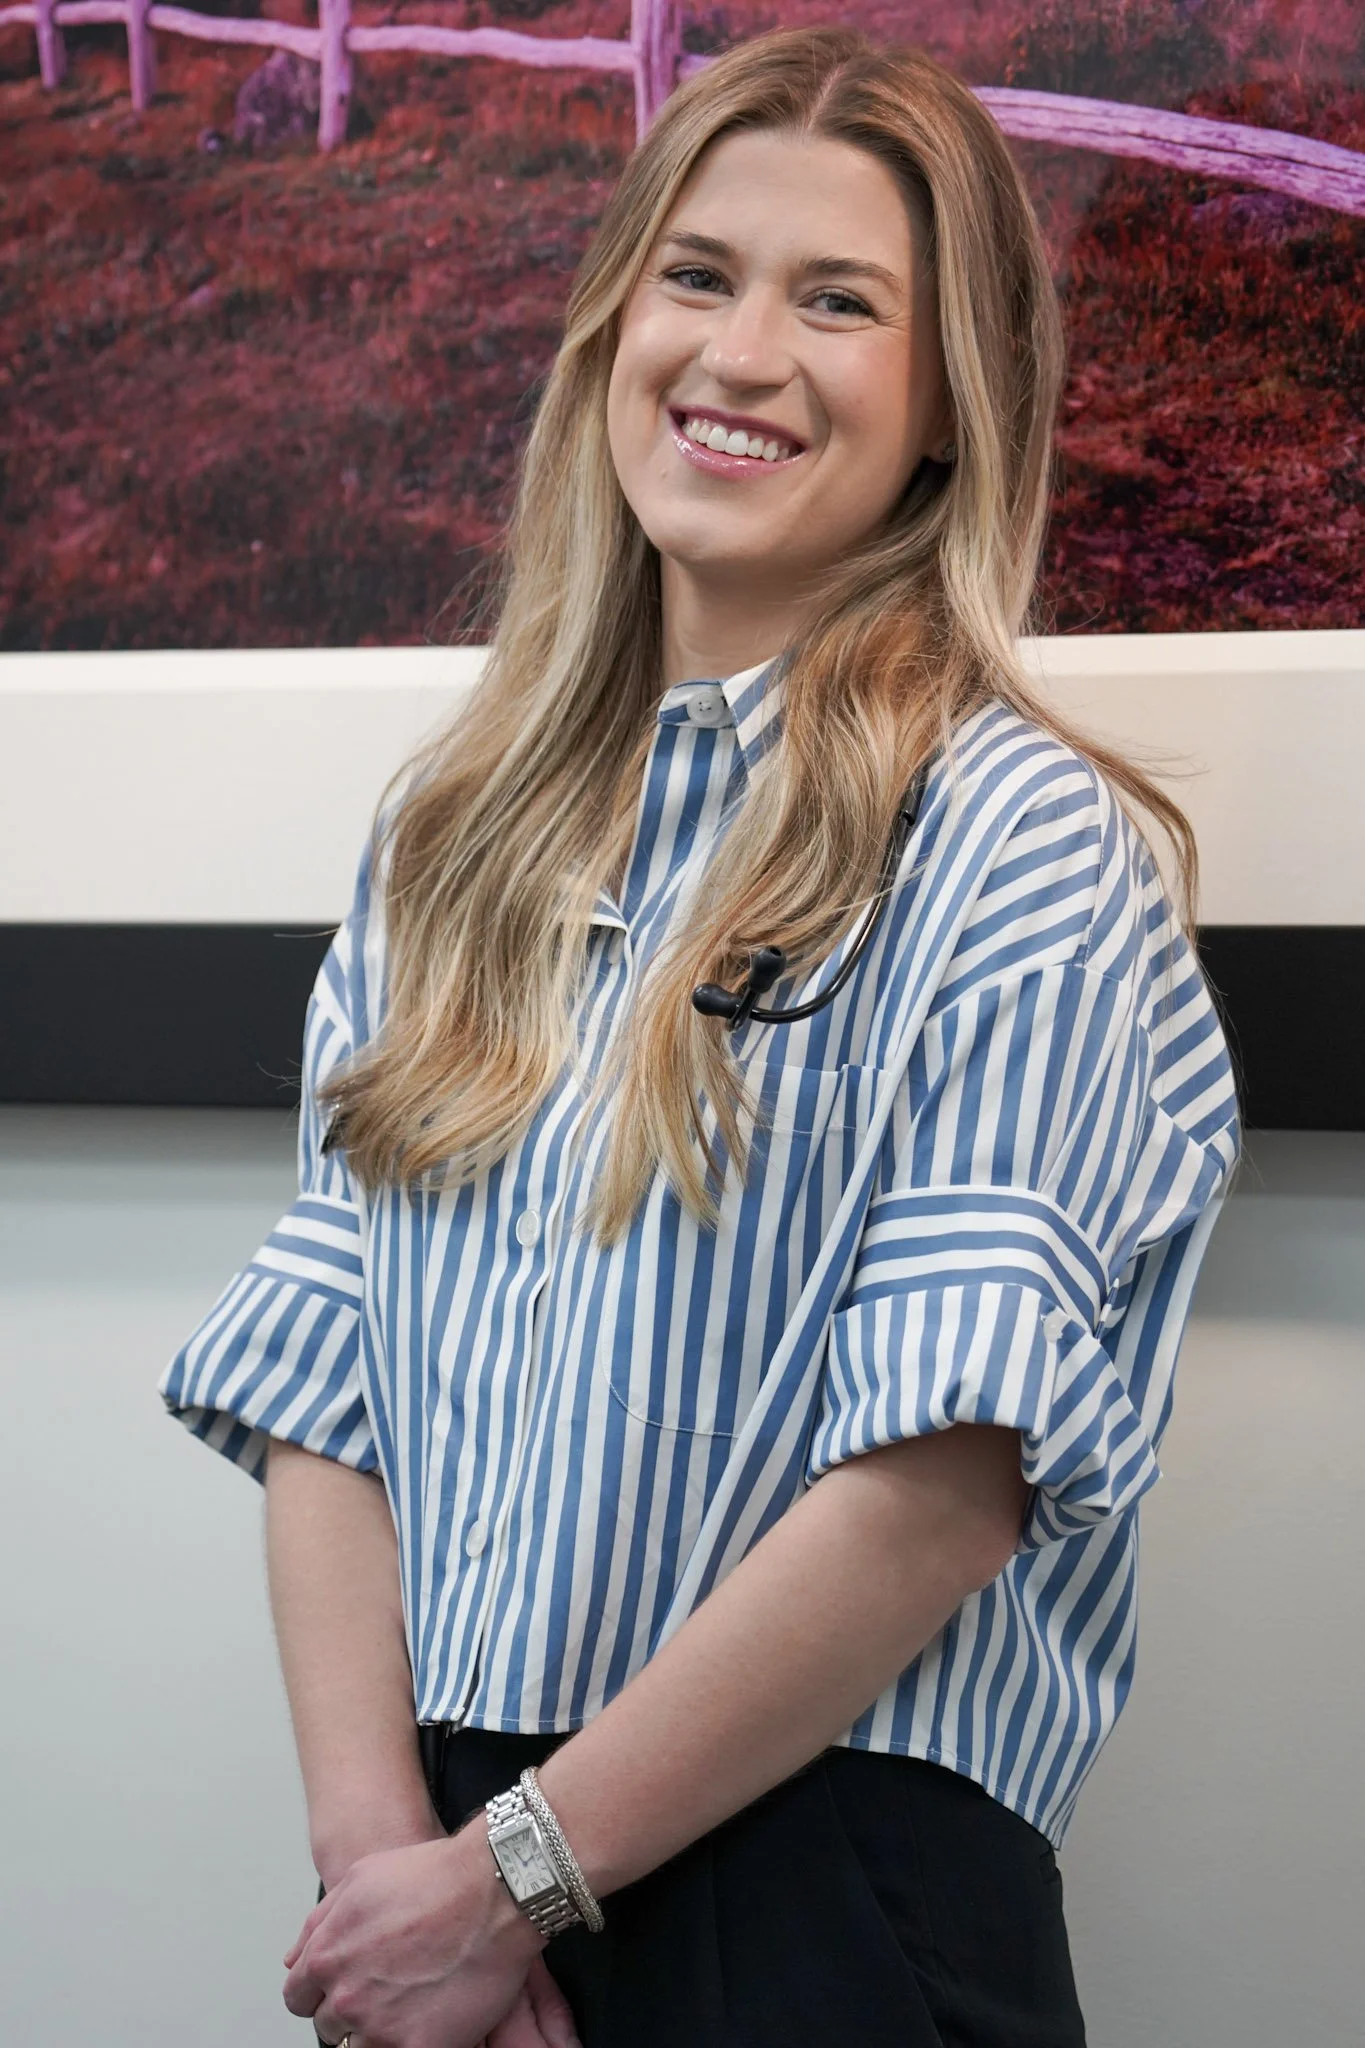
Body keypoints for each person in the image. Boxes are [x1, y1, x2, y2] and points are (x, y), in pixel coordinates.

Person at [159, 27, 1240, 2048]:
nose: (743, 354)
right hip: (442, 1890)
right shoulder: (453, 835)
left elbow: (939, 1477)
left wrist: (515, 1877)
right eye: (699, 274)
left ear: (944, 406)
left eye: (839, 301)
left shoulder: (1010, 838)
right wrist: (390, 1874)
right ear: (610, 328)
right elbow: (328, 1383)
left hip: (820, 1884)